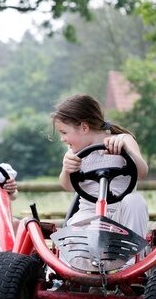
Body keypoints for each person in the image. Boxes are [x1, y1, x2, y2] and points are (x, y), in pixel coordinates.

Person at [51, 94, 149, 238]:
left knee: (135, 201)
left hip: (121, 215)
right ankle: (78, 258)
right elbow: (68, 186)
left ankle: (133, 257)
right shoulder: (74, 153)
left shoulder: (122, 139)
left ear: (84, 127)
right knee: (73, 230)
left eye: (64, 132)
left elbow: (143, 172)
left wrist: (126, 150)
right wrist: (67, 170)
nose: (62, 138)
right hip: (88, 214)